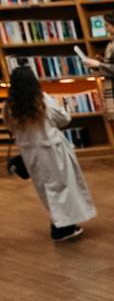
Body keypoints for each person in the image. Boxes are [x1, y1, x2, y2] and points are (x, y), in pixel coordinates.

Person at [5, 65, 94, 243]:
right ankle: (63, 228)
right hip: (52, 150)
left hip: (30, 152)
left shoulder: (9, 106)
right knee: (63, 187)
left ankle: (60, 224)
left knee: (46, 189)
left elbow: (11, 127)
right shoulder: (42, 100)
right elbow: (64, 119)